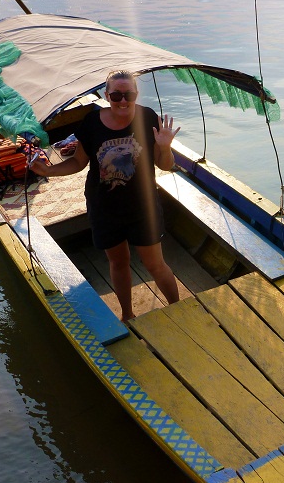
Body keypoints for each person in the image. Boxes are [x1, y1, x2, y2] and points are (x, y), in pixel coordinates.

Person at [30, 70, 180, 322]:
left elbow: (164, 165)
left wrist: (165, 148)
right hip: (104, 206)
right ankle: (127, 315)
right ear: (107, 95)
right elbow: (78, 162)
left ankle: (179, 309)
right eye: (116, 95)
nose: (122, 101)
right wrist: (48, 171)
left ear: (136, 94)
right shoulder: (91, 123)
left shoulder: (147, 117)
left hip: (142, 207)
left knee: (155, 264)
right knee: (118, 263)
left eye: (128, 94)